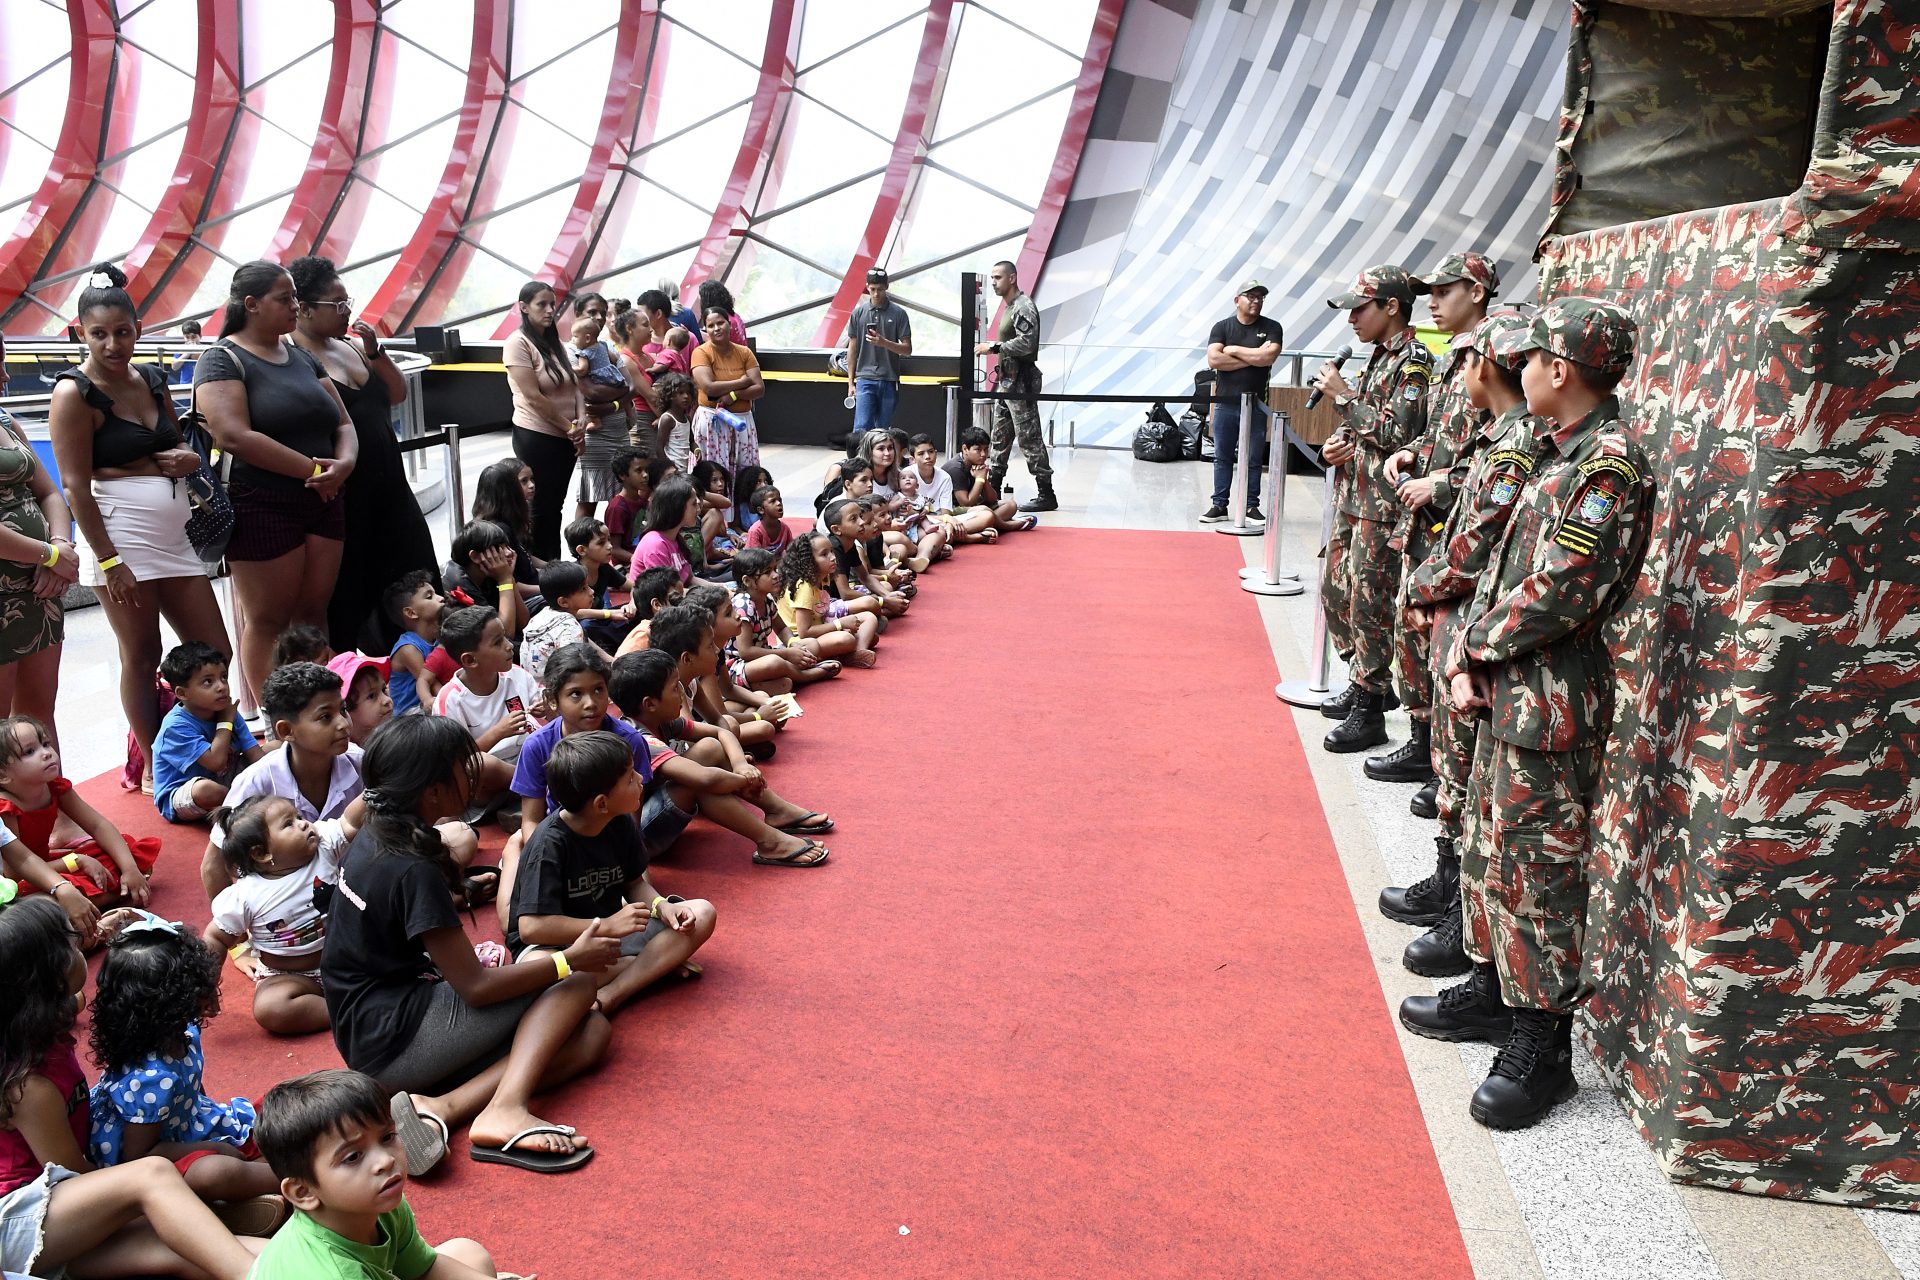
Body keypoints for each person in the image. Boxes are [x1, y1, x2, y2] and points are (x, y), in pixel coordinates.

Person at [1431, 298, 1651, 1130]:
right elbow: (1505, 573)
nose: (1519, 370)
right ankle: (1496, 992)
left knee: (1542, 871)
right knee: (1496, 849)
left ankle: (1543, 1048)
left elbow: (1562, 590)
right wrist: (1472, 656)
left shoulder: (1609, 469)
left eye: (1532, 359)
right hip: (1511, 688)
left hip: (1551, 698)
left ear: (1560, 370)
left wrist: (1476, 648)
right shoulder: (1563, 453)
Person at [324, 716, 615, 1175]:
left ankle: (443, 1107)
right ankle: (504, 1109)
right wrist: (568, 959)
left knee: (589, 1036)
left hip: (369, 1034)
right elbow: (476, 988)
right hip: (395, 1041)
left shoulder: (378, 830)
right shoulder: (411, 866)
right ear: (433, 792)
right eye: (465, 764)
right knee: (576, 984)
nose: (474, 768)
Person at [1390, 310, 1546, 986]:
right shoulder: (1500, 438)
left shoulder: (1514, 445)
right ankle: (1453, 892)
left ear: (1485, 366)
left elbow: (1476, 544)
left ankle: (1462, 914)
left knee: (1462, 773)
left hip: (1473, 623)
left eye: (1470, 360)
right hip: (1464, 619)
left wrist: (1423, 589)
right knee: (1457, 775)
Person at [0, 892, 266, 1280]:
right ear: (46, 979)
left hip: (61, 1212)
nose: (81, 946)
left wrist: (112, 930)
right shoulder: (29, 1086)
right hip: (25, 1219)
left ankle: (292, 1263)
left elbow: (110, 988)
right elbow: (75, 1174)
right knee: (152, 1176)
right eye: (70, 944)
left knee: (186, 1251)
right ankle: (220, 1227)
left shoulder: (36, 1020)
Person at [52, 266, 232, 791]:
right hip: (118, 539)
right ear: (80, 333)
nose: (112, 343)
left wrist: (167, 463)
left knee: (212, 648)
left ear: (138, 329)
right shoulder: (75, 394)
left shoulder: (151, 379)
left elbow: (174, 451)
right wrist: (108, 561)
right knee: (143, 652)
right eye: (99, 333)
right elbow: (75, 485)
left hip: (173, 538)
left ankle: (224, 740)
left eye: (123, 331)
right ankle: (156, 759)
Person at [196, 261, 359, 712]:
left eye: (295, 297)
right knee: (267, 619)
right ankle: (277, 717)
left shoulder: (301, 355)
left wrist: (343, 465)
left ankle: (321, 709)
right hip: (263, 502)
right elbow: (234, 434)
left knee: (313, 613)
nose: (295, 306)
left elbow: (342, 420)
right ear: (251, 305)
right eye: (284, 298)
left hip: (324, 498)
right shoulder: (222, 358)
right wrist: (314, 470)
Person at [1367, 253, 1499, 798]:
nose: (1432, 302)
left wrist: (1441, 485)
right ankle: (1425, 746)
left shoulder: (1498, 356)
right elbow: (1445, 436)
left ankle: (1451, 774)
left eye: (1443, 291)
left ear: (1476, 290)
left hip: (1464, 532)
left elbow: (1507, 455)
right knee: (1415, 637)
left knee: (1449, 650)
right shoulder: (1455, 358)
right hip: (1429, 525)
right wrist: (1412, 453)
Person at [288, 257, 437, 654]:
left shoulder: (352, 346)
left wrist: (375, 351)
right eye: (335, 304)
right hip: (347, 496)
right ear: (302, 308)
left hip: (392, 487)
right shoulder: (295, 358)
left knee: (416, 579)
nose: (347, 311)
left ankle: (421, 670)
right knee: (351, 592)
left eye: (346, 301)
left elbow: (397, 393)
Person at [507, 731, 716, 1013]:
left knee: (702, 912)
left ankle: (613, 993)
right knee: (540, 977)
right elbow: (531, 928)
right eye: (630, 778)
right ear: (601, 803)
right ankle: (647, 967)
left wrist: (661, 906)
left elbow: (634, 884)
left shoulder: (620, 822)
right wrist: (606, 926)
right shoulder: (549, 844)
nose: (641, 779)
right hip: (558, 948)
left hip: (609, 938)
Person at [1311, 265, 1432, 753]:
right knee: (1335, 592)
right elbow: (1368, 426)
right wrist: (1336, 445)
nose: (1351, 320)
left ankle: (1370, 700)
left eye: (1359, 309)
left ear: (1391, 306)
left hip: (1382, 509)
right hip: (1354, 499)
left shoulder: (1415, 362)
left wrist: (1342, 400)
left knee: (1371, 607)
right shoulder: (1380, 358)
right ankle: (1366, 679)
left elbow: (1400, 434)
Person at [85, 911, 278, 1207]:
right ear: (165, 1005)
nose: (212, 1003)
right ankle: (294, 1181)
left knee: (279, 1105)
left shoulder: (181, 1032)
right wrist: (211, 1146)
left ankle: (250, 1191)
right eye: (199, 995)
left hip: (187, 1126)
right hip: (149, 1163)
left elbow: (191, 1094)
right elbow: (140, 1157)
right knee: (217, 1171)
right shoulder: (148, 1077)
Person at [251, 1069, 510, 1278]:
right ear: (303, 1192)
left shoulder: (382, 1202)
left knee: (469, 1254)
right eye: (352, 1157)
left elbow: (425, 1268)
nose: (385, 1161)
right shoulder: (336, 1273)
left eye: (387, 1137)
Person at [197, 662, 361, 903]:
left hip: (351, 895)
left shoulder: (361, 763)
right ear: (286, 731)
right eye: (325, 717)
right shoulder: (253, 783)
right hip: (281, 915)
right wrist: (234, 931)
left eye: (343, 710)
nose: (344, 724)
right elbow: (213, 865)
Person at [202, 793, 360, 1034]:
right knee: (271, 1008)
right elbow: (216, 937)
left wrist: (373, 792)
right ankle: (348, 1011)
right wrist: (206, 987)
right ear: (262, 853)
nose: (304, 823)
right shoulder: (245, 895)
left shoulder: (324, 845)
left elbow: (351, 821)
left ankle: (366, 995)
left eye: (298, 816)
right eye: (289, 824)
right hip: (292, 977)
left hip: (350, 958)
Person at [0, 715, 159, 912]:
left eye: (46, 744)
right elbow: (16, 873)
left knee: (131, 856)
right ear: (3, 775)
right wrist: (74, 862)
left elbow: (97, 825)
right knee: (43, 903)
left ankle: (104, 892)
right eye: (30, 751)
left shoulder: (54, 786)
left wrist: (129, 869)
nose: (47, 753)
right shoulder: (5, 808)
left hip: (48, 863)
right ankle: (100, 895)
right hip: (24, 879)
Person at [0, 338, 74, 739]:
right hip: (12, 586)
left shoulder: (5, 420)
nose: (6, 375)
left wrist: (61, 545)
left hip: (39, 589)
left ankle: (51, 803)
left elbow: (47, 492)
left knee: (38, 721)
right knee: (2, 733)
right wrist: (48, 555)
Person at [502, 281, 584, 559]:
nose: (550, 310)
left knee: (554, 506)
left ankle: (555, 565)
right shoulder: (517, 343)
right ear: (524, 308)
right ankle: (541, 570)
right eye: (542, 304)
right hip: (537, 436)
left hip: (565, 436)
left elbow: (575, 386)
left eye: (553, 305)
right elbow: (533, 397)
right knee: (538, 506)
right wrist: (570, 427)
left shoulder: (554, 343)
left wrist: (580, 422)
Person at [972, 259, 1055, 512]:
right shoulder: (1010, 307)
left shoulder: (1023, 307)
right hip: (1007, 382)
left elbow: (1028, 343)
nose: (994, 282)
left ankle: (1046, 493)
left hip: (1020, 383)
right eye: (993, 277)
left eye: (998, 277)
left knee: (1030, 439)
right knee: (999, 438)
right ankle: (993, 490)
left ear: (1012, 278)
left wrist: (994, 347)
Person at [1198, 280, 1283, 524]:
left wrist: (1233, 350)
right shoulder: (1222, 327)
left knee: (1253, 458)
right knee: (1222, 456)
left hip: (1256, 405)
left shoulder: (1272, 327)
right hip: (1225, 403)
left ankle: (1250, 506)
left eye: (1260, 297)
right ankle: (1219, 505)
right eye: (1251, 296)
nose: (1256, 301)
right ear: (1237, 300)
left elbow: (1269, 356)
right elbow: (1214, 360)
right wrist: (1254, 356)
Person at [153, 640, 264, 823]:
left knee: (277, 750)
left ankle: (240, 804)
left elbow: (255, 754)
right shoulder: (175, 727)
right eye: (207, 682)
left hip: (225, 778)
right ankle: (245, 808)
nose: (221, 686)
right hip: (185, 792)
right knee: (206, 790)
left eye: (223, 677)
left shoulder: (224, 709)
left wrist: (276, 775)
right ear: (182, 693)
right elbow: (216, 762)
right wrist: (225, 722)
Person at [432, 605, 544, 772]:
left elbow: (542, 708)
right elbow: (458, 760)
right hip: (491, 772)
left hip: (529, 752)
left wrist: (545, 708)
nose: (509, 646)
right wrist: (498, 732)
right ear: (470, 660)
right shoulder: (450, 700)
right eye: (498, 642)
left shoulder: (517, 675)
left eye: (505, 637)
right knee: (484, 765)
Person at [565, 296, 629, 521]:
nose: (600, 317)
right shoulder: (571, 350)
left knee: (622, 495)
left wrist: (612, 404)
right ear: (579, 315)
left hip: (618, 428)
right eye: (593, 312)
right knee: (589, 495)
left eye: (603, 312)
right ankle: (583, 548)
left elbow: (629, 385)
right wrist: (618, 397)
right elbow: (590, 392)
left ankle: (614, 548)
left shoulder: (608, 345)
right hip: (593, 432)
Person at [776, 533, 878, 668]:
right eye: (824, 554)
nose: (833, 558)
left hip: (821, 625)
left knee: (869, 618)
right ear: (808, 561)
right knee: (846, 639)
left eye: (832, 551)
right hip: (800, 641)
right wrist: (839, 624)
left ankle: (856, 651)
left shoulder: (823, 576)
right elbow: (804, 632)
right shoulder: (804, 587)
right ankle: (849, 650)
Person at [843, 267, 912, 451]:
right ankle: (856, 470)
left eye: (880, 289)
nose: (876, 293)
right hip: (865, 378)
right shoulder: (858, 313)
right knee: (861, 430)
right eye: (872, 289)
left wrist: (884, 343)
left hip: (889, 379)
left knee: (883, 431)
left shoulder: (898, 314)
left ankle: (880, 471)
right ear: (867, 287)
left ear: (887, 287)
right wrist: (851, 382)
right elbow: (852, 348)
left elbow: (907, 349)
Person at [690, 307, 763, 477]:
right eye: (711, 325)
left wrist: (734, 395)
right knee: (715, 474)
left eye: (720, 323)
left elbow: (759, 388)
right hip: (712, 421)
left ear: (729, 324)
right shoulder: (701, 352)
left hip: (742, 422)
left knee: (746, 474)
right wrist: (742, 382)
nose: (716, 328)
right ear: (705, 330)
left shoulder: (744, 352)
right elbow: (709, 387)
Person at [942, 424, 1032, 532]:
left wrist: (983, 479)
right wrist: (979, 479)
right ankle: (1006, 525)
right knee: (986, 513)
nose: (983, 454)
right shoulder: (955, 468)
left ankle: (987, 524)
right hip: (953, 511)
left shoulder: (977, 465)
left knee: (1011, 505)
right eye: (978, 450)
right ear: (965, 449)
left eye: (986, 449)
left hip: (973, 508)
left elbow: (992, 499)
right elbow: (966, 503)